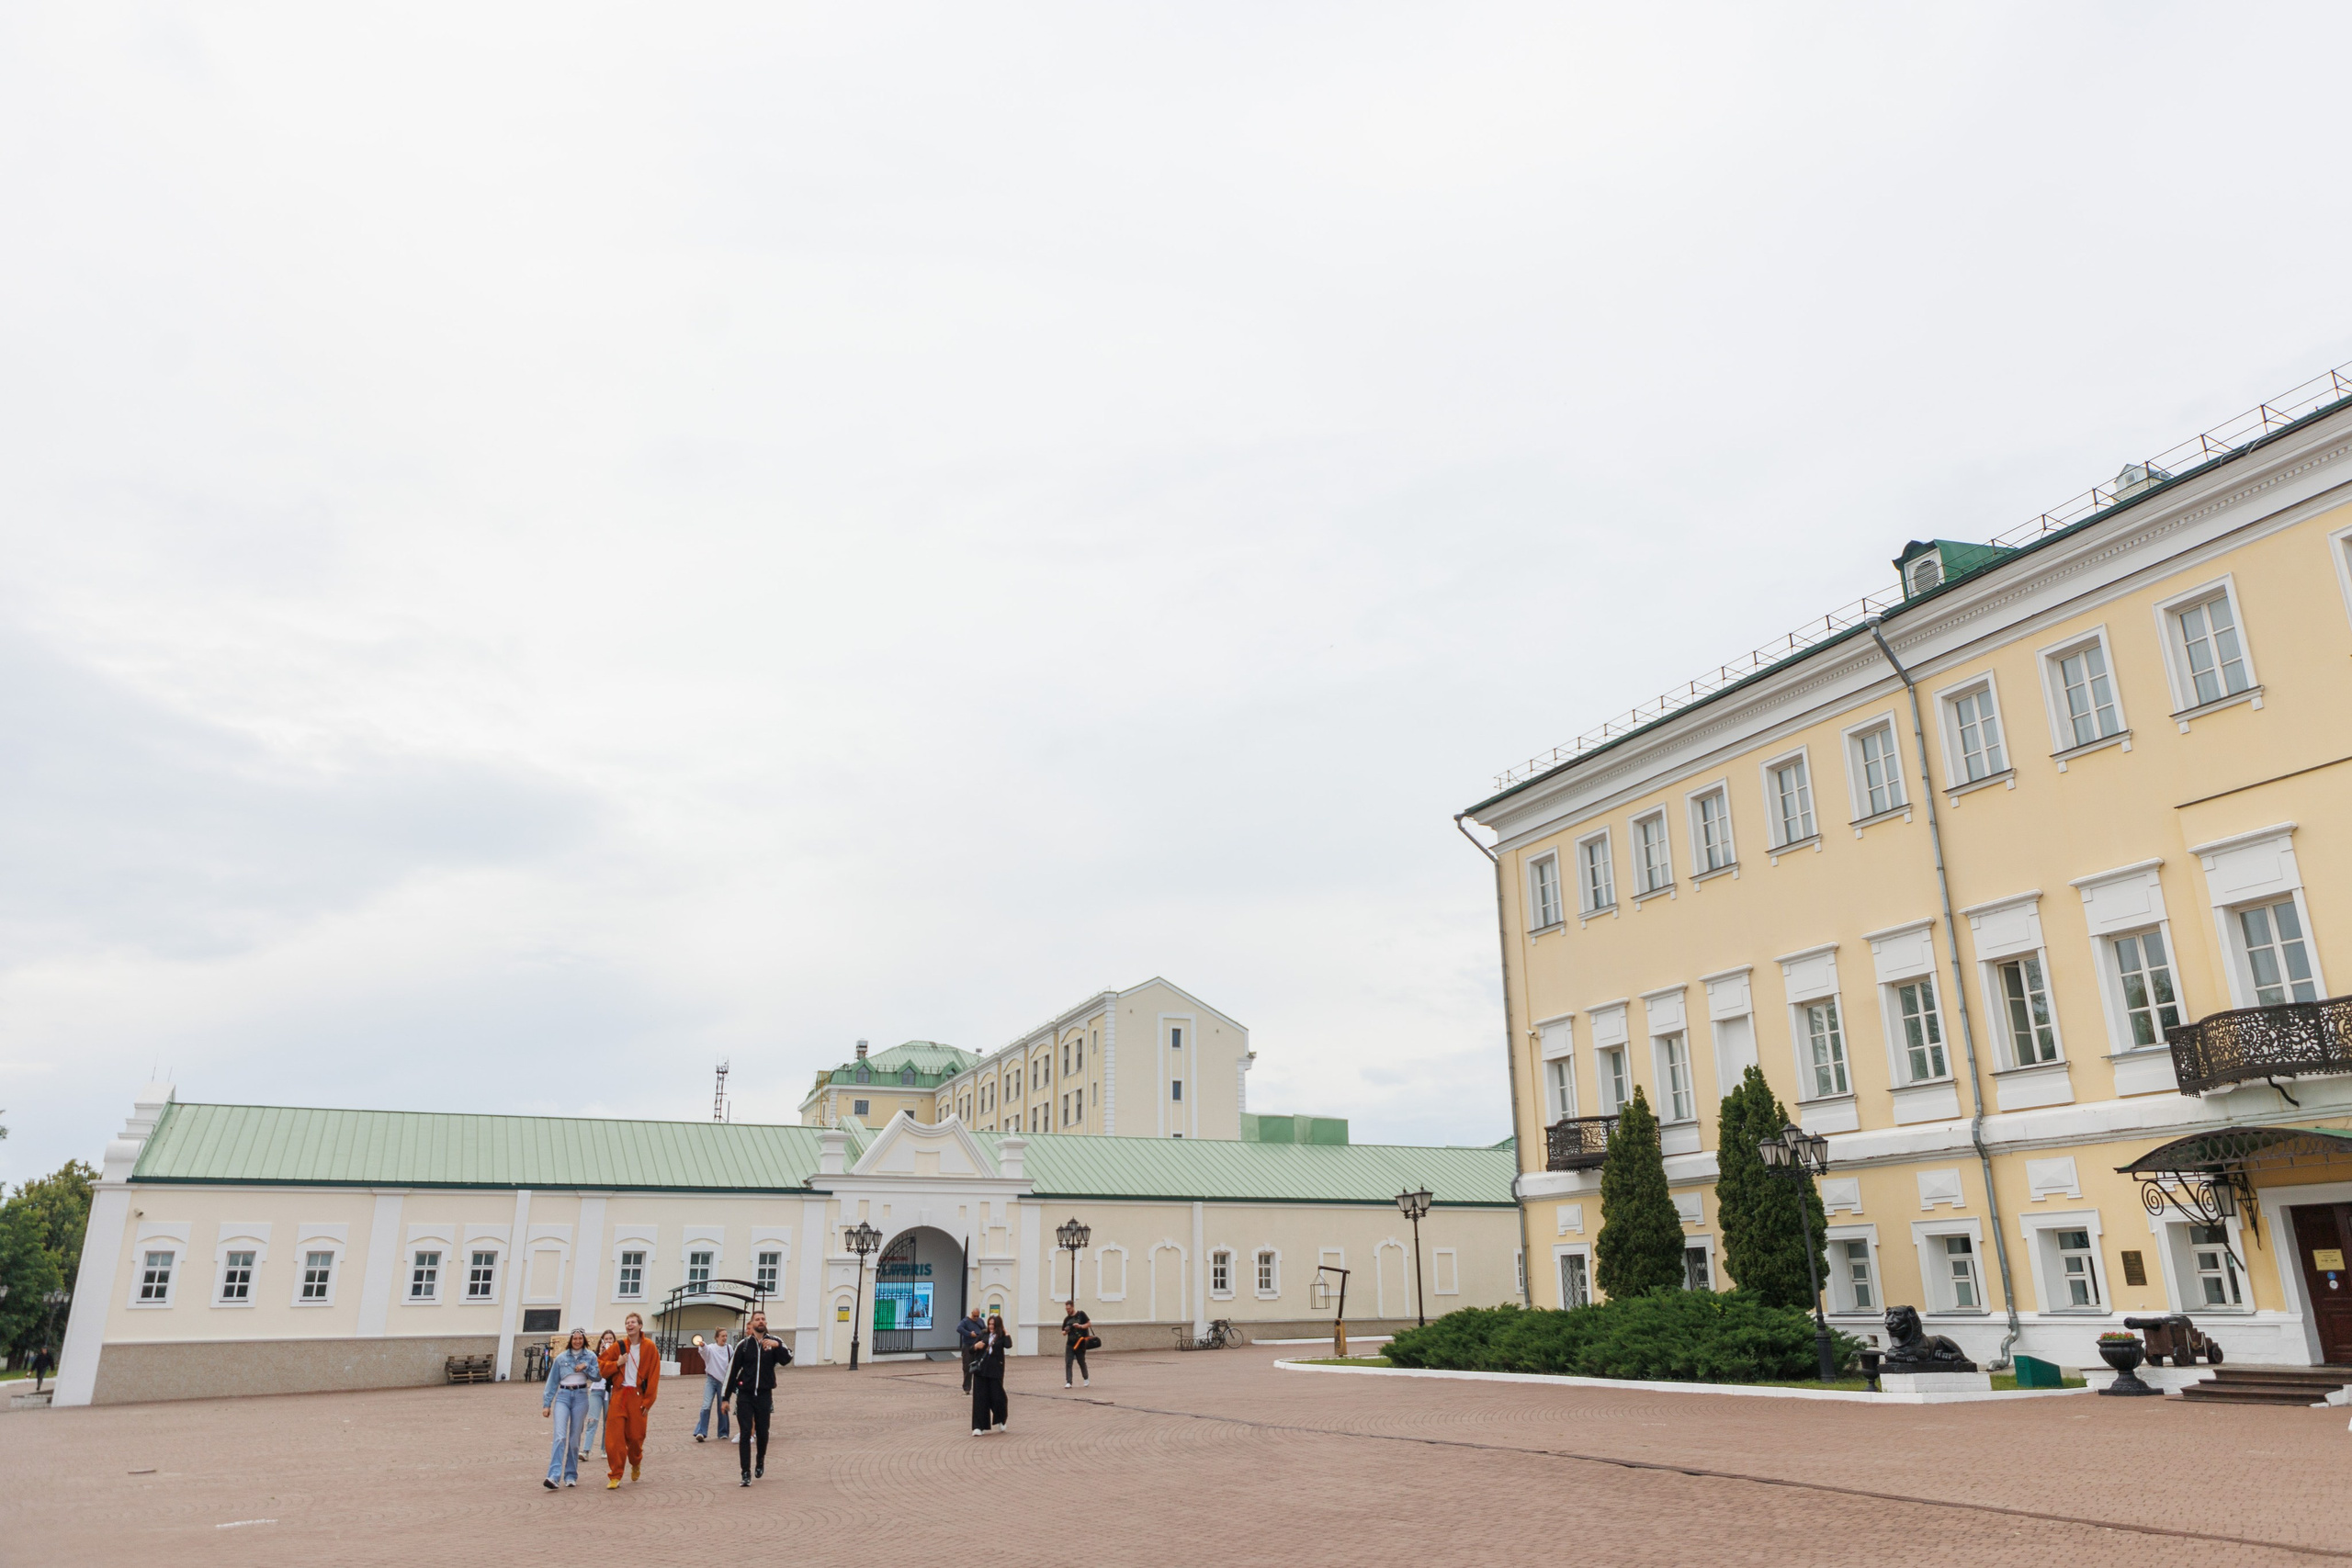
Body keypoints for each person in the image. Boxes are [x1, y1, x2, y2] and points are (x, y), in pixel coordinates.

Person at [722, 1309, 790, 1486]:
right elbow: (732, 1371)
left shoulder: (774, 1341)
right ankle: (745, 1473)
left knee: (763, 1431)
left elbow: (787, 1359)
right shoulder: (744, 1345)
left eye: (763, 1319)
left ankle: (760, 1460)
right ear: (751, 1324)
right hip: (745, 1395)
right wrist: (725, 1398)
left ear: (766, 1323)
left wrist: (777, 1346)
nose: (761, 1321)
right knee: (745, 1433)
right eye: (757, 1319)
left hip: (764, 1395)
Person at [598, 1312, 661, 1489]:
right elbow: (601, 1366)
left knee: (635, 1437)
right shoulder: (618, 1346)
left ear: (640, 1326)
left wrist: (648, 1401)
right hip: (619, 1395)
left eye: (633, 1322)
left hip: (637, 1396)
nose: (630, 1325)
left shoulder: (649, 1347)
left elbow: (654, 1376)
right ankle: (615, 1475)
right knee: (614, 1438)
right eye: (627, 1322)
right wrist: (617, 1364)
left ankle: (636, 1461)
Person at [541, 1327, 597, 1489]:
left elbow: (598, 1376)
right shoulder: (561, 1358)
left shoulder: (590, 1356)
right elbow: (552, 1382)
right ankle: (553, 1476)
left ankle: (571, 1475)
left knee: (574, 1438)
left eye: (580, 1338)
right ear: (570, 1340)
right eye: (575, 1338)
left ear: (584, 1340)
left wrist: (586, 1366)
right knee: (560, 1436)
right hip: (563, 1396)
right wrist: (547, 1404)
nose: (577, 1341)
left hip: (581, 1397)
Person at [579, 1330, 616, 1463]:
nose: (608, 1341)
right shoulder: (595, 1356)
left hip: (610, 1390)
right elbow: (594, 1372)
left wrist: (610, 1355)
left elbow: (615, 1370)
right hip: (596, 1390)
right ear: (601, 1341)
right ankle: (586, 1451)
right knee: (592, 1420)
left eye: (610, 1339)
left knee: (608, 1421)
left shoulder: (616, 1356)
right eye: (606, 1339)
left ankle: (605, 1449)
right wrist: (601, 1355)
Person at [692, 1327, 733, 1443]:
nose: (725, 1338)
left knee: (723, 1406)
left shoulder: (729, 1348)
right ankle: (701, 1432)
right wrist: (702, 1345)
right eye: (722, 1336)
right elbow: (704, 1351)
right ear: (716, 1338)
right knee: (706, 1405)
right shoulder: (711, 1348)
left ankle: (723, 1432)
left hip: (724, 1382)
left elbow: (733, 1363)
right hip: (711, 1380)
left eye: (726, 1336)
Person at [970, 1313, 1009, 1435]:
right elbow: (970, 1350)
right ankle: (978, 1427)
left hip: (995, 1371)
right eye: (989, 1324)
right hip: (981, 1371)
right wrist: (976, 1346)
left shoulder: (1001, 1336)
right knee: (980, 1399)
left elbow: (1008, 1345)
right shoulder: (983, 1334)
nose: (991, 1326)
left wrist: (1006, 1332)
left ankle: (1001, 1419)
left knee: (998, 1398)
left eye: (993, 1324)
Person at [1062, 1302, 1092, 1389]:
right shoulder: (1067, 1319)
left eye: (1069, 1309)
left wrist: (1080, 1326)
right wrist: (1066, 1331)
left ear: (1073, 1307)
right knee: (1068, 1362)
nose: (1068, 1310)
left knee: (1081, 1361)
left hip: (1080, 1343)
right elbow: (1063, 1332)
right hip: (1070, 1344)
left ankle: (1086, 1378)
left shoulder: (1081, 1314)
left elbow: (1089, 1324)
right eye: (1066, 1309)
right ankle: (1069, 1382)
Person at [956, 1305, 986, 1393]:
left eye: (977, 1316)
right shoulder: (965, 1321)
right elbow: (959, 1329)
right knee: (967, 1367)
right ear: (971, 1314)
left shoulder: (981, 1321)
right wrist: (969, 1334)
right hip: (968, 1346)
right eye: (974, 1316)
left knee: (979, 1366)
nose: (976, 1318)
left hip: (978, 1347)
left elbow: (985, 1330)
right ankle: (967, 1387)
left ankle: (979, 1387)